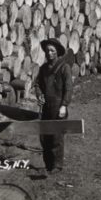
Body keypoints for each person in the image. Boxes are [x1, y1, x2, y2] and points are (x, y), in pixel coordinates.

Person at [36, 38, 73, 174]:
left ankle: (57, 165)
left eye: (52, 50)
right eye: (47, 51)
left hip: (58, 106)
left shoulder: (64, 67)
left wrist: (64, 105)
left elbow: (69, 88)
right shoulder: (43, 69)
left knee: (57, 136)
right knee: (45, 136)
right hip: (46, 107)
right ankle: (48, 164)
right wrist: (39, 95)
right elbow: (38, 85)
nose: (49, 53)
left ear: (57, 52)